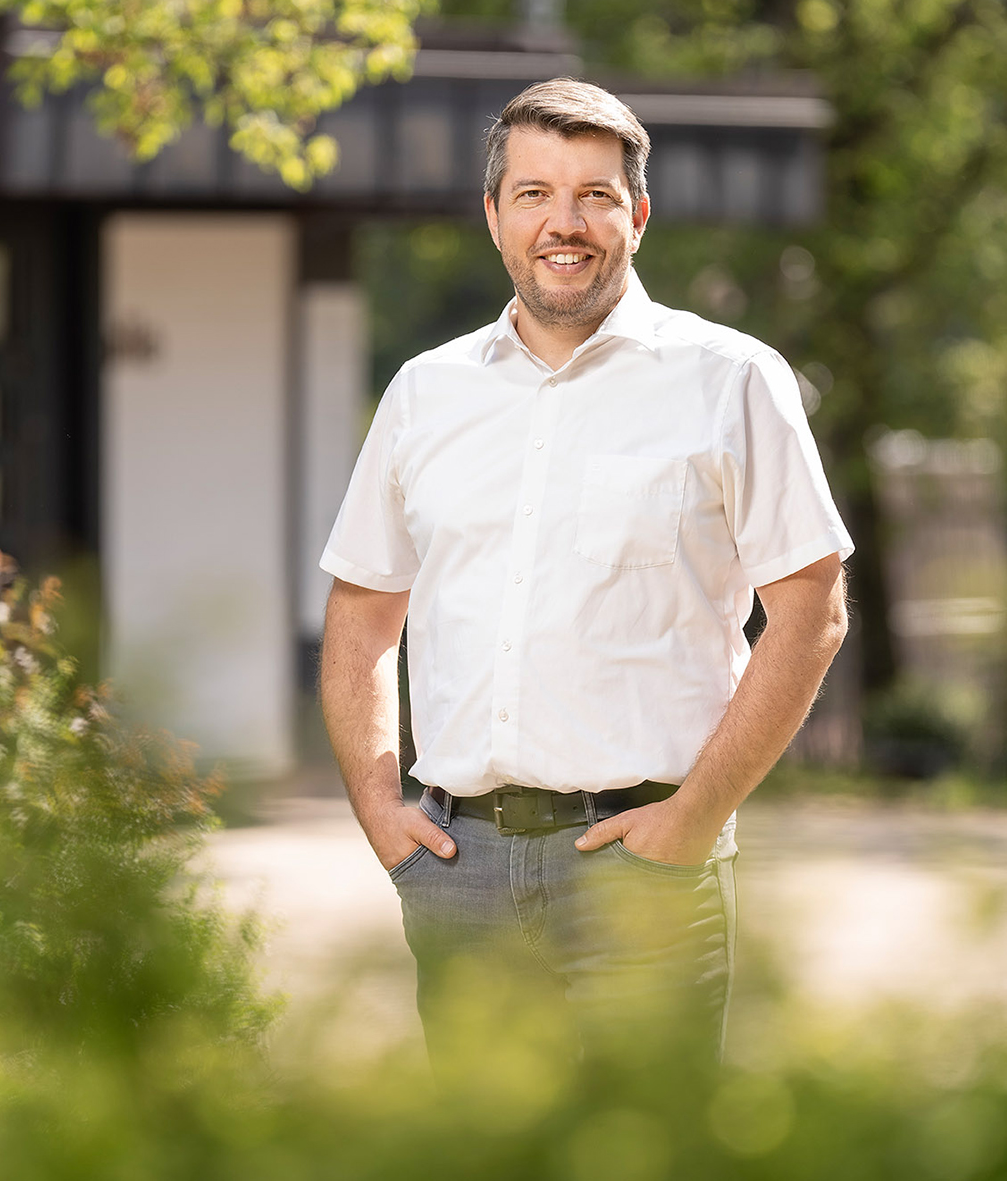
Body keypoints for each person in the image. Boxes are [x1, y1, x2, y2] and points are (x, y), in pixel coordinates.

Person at [319, 78, 852, 1071]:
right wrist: (380, 810)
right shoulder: (424, 393)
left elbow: (811, 614)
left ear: (637, 215)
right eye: (532, 194)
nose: (563, 224)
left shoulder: (730, 380)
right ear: (493, 215)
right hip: (457, 869)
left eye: (594, 195)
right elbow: (360, 613)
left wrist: (693, 818)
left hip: (643, 868)